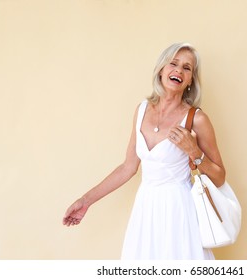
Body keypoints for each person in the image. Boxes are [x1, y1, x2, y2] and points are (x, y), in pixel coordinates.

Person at [62, 42, 226, 260]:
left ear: (190, 81)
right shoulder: (141, 110)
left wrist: (194, 152)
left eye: (187, 68)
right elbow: (128, 167)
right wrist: (85, 201)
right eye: (173, 63)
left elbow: (220, 176)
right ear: (161, 70)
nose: (179, 70)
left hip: (179, 210)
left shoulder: (197, 118)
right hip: (146, 208)